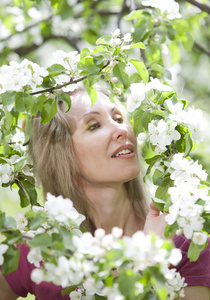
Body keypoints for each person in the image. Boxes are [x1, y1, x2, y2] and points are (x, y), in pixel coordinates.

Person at [0, 87, 209, 299]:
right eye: (94, 125)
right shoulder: (42, 250)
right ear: (63, 157)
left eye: (118, 118)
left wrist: (153, 256)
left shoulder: (184, 240)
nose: (122, 130)